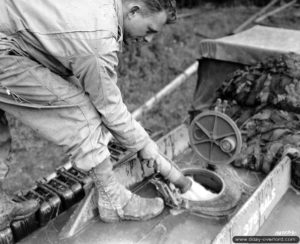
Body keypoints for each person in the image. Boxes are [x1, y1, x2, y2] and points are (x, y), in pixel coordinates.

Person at [0, 0, 176, 228]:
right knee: (80, 113)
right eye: (150, 30)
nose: (150, 39)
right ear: (134, 11)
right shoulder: (97, 39)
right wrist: (143, 143)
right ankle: (114, 201)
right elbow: (108, 105)